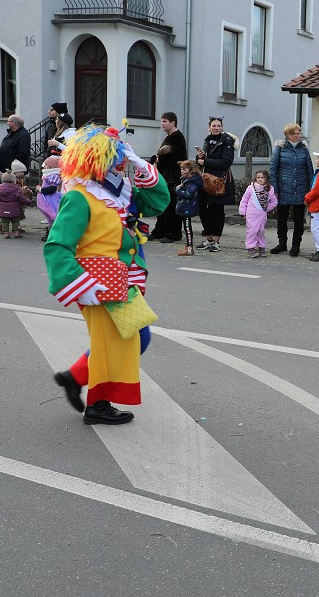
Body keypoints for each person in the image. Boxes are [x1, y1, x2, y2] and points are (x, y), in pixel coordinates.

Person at [45, 125, 169, 425]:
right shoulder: (80, 195)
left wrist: (143, 165)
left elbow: (158, 203)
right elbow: (57, 244)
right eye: (114, 158)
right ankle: (97, 404)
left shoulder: (121, 191)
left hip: (122, 279)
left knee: (134, 335)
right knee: (116, 340)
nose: (120, 164)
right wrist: (79, 284)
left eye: (121, 157)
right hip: (94, 281)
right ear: (94, 160)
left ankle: (75, 378)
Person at [269, 123, 314, 257]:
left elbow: (310, 171)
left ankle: (296, 246)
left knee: (299, 220)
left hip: (301, 189)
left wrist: (311, 190)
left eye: (299, 133)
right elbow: (273, 170)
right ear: (288, 135)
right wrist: (275, 188)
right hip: (283, 188)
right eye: (295, 133)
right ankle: (282, 244)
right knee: (281, 219)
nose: (298, 135)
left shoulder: (304, 149)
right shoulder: (280, 148)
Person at [196, 116, 236, 252]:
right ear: (209, 127)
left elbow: (226, 162)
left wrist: (205, 161)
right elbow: (203, 160)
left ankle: (216, 242)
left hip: (219, 181)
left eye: (218, 126)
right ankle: (209, 239)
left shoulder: (227, 142)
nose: (216, 128)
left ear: (222, 127)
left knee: (217, 211)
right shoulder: (207, 140)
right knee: (202, 209)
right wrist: (200, 157)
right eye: (214, 125)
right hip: (205, 179)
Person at [150, 111, 187, 243]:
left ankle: (174, 233)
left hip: (172, 178)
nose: (162, 124)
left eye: (165, 121)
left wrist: (163, 156)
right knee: (163, 205)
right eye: (161, 121)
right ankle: (160, 230)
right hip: (164, 176)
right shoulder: (169, 137)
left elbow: (179, 158)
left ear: (173, 122)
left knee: (171, 206)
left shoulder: (177, 137)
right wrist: (155, 159)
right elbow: (162, 155)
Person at [240, 169, 278, 257]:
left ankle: (262, 247)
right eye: (258, 177)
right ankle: (251, 247)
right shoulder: (251, 188)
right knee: (252, 231)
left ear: (266, 179)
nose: (260, 179)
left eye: (262, 177)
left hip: (262, 215)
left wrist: (266, 209)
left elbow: (274, 202)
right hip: (251, 214)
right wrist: (242, 211)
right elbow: (244, 200)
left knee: (261, 231)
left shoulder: (270, 190)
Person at [175, 159, 203, 256]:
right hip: (185, 207)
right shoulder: (186, 180)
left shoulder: (192, 182)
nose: (182, 171)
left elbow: (189, 194)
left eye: (184, 169)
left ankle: (190, 247)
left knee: (187, 228)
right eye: (181, 169)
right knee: (186, 227)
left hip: (188, 208)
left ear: (191, 170)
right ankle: (188, 246)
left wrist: (178, 190)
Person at [0, 170, 32, 238]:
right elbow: (21, 198)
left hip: (3, 209)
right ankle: (17, 232)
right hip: (14, 209)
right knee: (16, 221)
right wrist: (28, 202)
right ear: (14, 180)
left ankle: (6, 233)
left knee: (4, 222)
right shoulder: (16, 188)